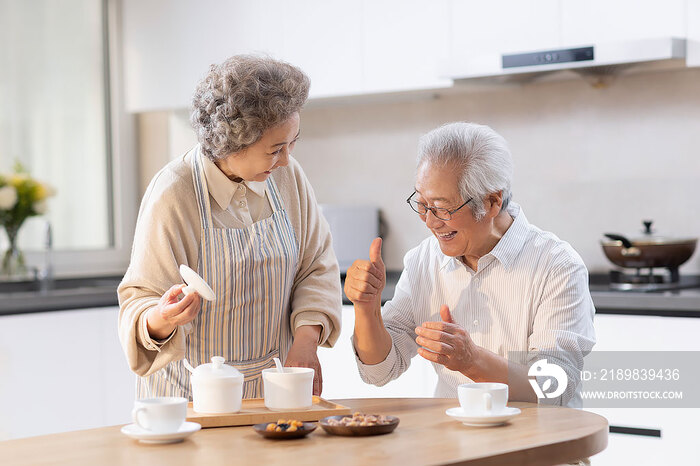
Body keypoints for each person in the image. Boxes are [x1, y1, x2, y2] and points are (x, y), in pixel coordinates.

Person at [118, 55, 341, 399]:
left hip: (273, 396)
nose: (285, 159)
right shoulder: (175, 192)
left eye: (291, 143)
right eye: (275, 149)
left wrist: (306, 342)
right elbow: (139, 300)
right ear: (233, 143)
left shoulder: (287, 177)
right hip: (191, 401)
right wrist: (162, 317)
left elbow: (316, 266)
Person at [344, 122, 595, 407]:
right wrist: (366, 308)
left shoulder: (557, 266)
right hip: (454, 443)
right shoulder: (422, 261)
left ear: (491, 202)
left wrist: (471, 361)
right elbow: (378, 370)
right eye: (423, 203)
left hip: (538, 446)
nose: (429, 220)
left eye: (442, 207)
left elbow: (554, 387)